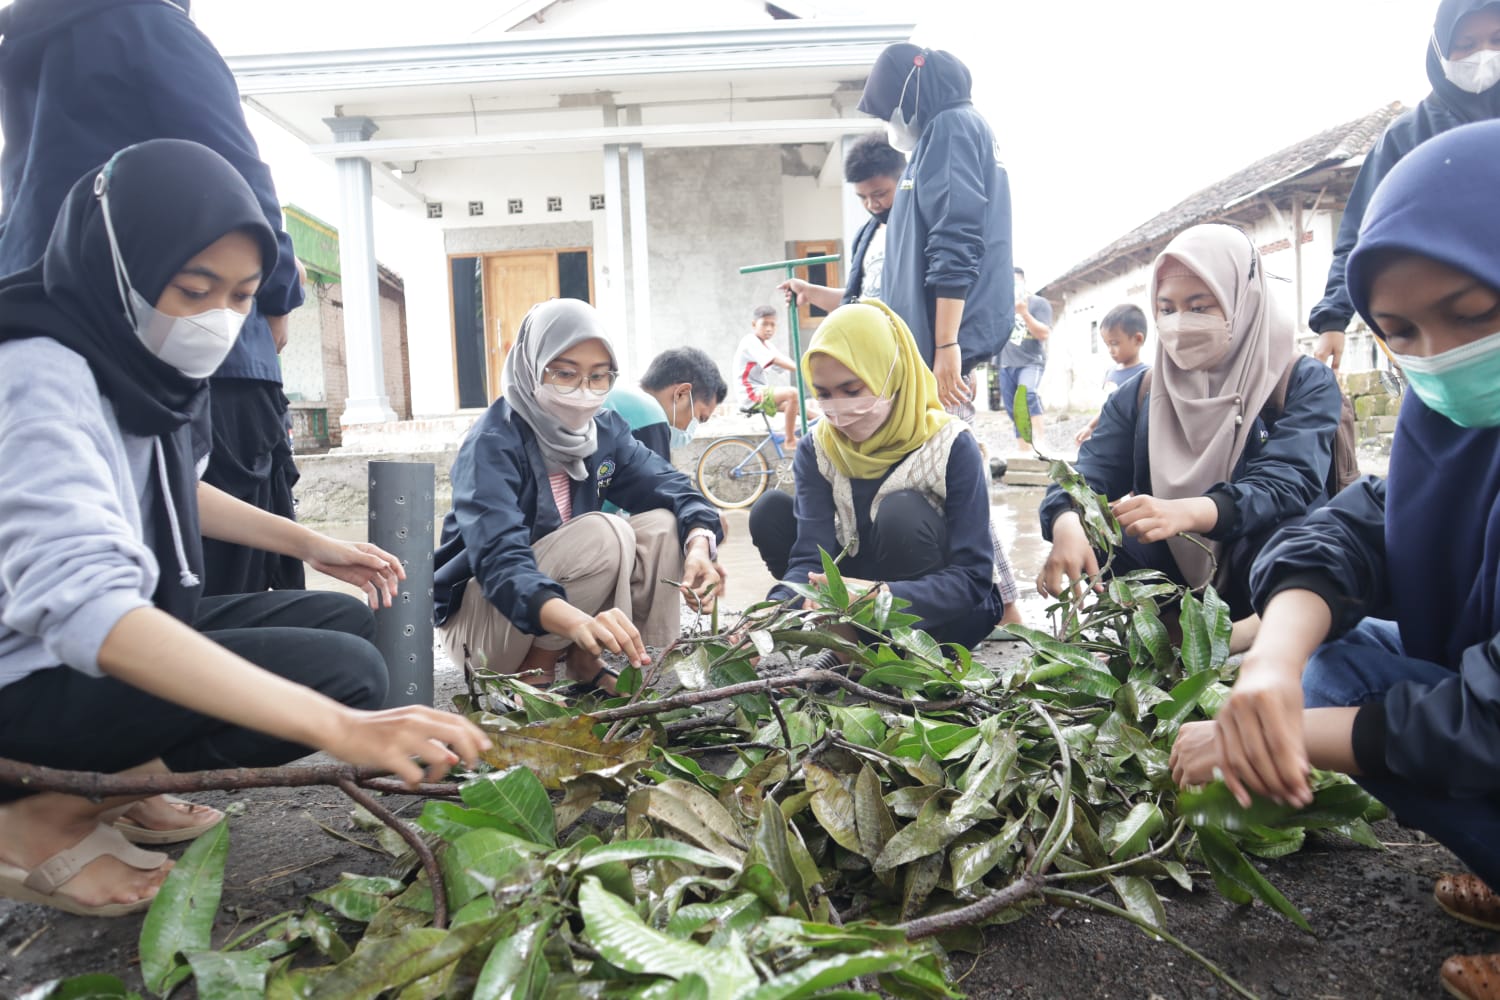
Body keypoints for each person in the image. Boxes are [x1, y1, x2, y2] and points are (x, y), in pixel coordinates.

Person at [0, 140, 488, 918]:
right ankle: (40, 815)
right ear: (117, 261)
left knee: (339, 621)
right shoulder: (37, 372)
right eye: (195, 287)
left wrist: (312, 544)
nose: (218, 319)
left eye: (241, 295)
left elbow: (173, 491)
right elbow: (86, 608)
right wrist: (345, 730)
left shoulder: (138, 360)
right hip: (24, 675)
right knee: (341, 681)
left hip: (78, 652)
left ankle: (121, 789)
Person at [1170, 120, 1500, 1000]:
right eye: (1401, 331)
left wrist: (1269, 741)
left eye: (1474, 317)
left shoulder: (1299, 385)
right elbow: (1358, 524)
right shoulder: (1450, 424)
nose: (1441, 356)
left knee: (1353, 704)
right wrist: (1275, 661)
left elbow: (1491, 723)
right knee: (1335, 659)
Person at [0, 0, 307, 595]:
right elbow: (235, 173)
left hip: (65, 311)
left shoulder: (25, 43)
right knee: (221, 585)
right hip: (194, 352)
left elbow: (23, 192)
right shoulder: (151, 24)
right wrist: (269, 294)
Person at [1036, 224, 1343, 625]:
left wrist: (1190, 512)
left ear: (1243, 300)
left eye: (1199, 307)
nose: (1180, 323)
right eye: (1167, 309)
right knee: (1103, 530)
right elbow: (1086, 474)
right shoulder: (1142, 393)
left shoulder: (1301, 382)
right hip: (1174, 581)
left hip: (1270, 577)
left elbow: (1289, 482)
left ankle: (1259, 633)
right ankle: (1165, 631)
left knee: (1303, 536)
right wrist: (1067, 521)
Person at [434, 299, 726, 694]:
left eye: (599, 377)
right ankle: (534, 673)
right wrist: (576, 622)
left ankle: (641, 662)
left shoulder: (604, 431)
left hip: (560, 610)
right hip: (485, 625)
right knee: (605, 532)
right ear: (531, 365)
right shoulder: (492, 443)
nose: (583, 392)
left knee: (664, 524)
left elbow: (675, 488)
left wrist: (699, 547)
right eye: (565, 374)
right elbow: (500, 561)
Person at [748, 300, 1020, 649]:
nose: (839, 408)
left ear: (889, 373)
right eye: (824, 394)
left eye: (852, 390)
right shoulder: (816, 448)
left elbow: (972, 578)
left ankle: (896, 648)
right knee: (769, 509)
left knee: (901, 511)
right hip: (854, 601)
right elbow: (808, 559)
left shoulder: (952, 445)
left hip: (943, 613)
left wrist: (881, 596)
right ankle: (849, 641)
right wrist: (770, 613)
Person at [1309, 0, 1500, 371]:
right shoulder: (1406, 137)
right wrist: (1333, 318)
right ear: (1441, 48)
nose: (1484, 55)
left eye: (1497, 39)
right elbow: (1362, 231)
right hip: (1444, 332)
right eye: (1466, 44)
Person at [856, 43, 1014, 415]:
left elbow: (956, 233)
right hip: (932, 344)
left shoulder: (952, 126)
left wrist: (946, 344)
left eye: (889, 111)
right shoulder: (950, 130)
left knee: (936, 460)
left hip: (936, 346)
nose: (889, 122)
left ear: (911, 92)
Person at [778, 132, 906, 309]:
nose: (871, 204)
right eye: (862, 197)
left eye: (880, 194)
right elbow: (857, 303)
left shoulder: (921, 231)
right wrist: (809, 292)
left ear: (904, 180)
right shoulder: (865, 237)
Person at [602, 346, 726, 461]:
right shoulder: (648, 413)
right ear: (681, 393)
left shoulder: (617, 398)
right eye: (700, 418)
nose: (693, 428)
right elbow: (655, 482)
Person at [733, 305, 813, 442]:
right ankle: (790, 440)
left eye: (773, 325)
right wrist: (802, 370)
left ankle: (823, 422)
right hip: (751, 394)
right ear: (754, 324)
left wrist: (808, 367)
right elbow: (774, 360)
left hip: (761, 393)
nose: (769, 328)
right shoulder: (750, 341)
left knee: (801, 409)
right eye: (764, 324)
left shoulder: (767, 345)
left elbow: (783, 361)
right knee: (792, 393)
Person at [1076, 304, 1151, 445]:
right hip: (1110, 440)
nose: (1110, 350)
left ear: (1138, 339)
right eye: (1107, 344)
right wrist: (1090, 427)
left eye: (1115, 343)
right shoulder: (1110, 372)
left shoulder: (1146, 376)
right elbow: (1107, 407)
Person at [1000, 267, 1055, 450]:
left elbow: (1044, 333)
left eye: (1016, 282)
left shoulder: (1038, 304)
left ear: (1024, 283)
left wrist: (1024, 313)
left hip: (1031, 361)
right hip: (1006, 364)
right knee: (1015, 409)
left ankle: (1040, 443)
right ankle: (1024, 451)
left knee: (1027, 393)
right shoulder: (1001, 305)